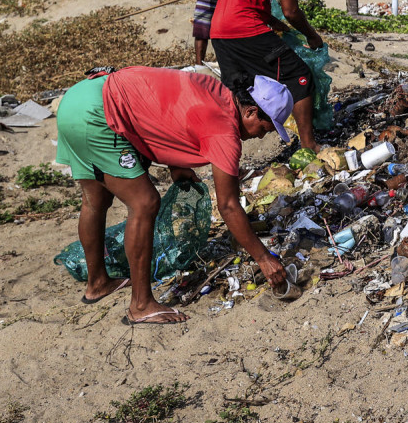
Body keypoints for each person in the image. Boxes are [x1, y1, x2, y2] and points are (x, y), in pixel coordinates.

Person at [56, 67, 292, 324]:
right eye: (264, 128)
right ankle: (141, 305)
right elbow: (228, 206)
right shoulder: (224, 132)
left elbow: (167, 108)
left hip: (79, 98)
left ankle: (98, 283)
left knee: (95, 201)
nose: (260, 136)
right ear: (250, 111)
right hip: (98, 115)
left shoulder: (212, 88)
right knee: (145, 203)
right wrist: (263, 258)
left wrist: (176, 164)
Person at [209, 0, 329, 152]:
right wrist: (312, 37)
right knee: (300, 76)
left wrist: (277, 26)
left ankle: (226, 153)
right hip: (244, 27)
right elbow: (291, 10)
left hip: (219, 30)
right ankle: (309, 146)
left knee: (237, 93)